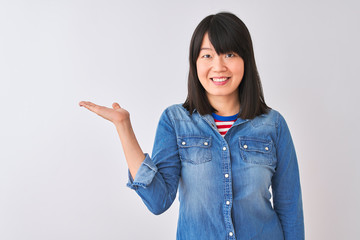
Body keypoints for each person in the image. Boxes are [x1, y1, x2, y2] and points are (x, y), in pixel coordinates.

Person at [79, 12, 304, 240]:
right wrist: (123, 126)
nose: (218, 66)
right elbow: (158, 201)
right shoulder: (175, 121)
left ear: (245, 60)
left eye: (229, 54)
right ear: (195, 63)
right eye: (207, 55)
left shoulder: (273, 125)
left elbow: (290, 210)